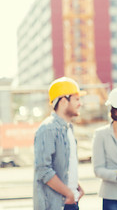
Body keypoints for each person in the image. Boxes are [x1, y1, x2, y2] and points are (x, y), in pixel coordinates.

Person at [34, 77, 86, 210]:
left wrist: (75, 186)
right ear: (63, 101)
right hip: (57, 204)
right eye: (76, 99)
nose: (80, 104)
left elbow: (64, 166)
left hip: (70, 201)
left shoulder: (68, 128)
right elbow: (43, 170)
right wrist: (68, 193)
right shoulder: (48, 129)